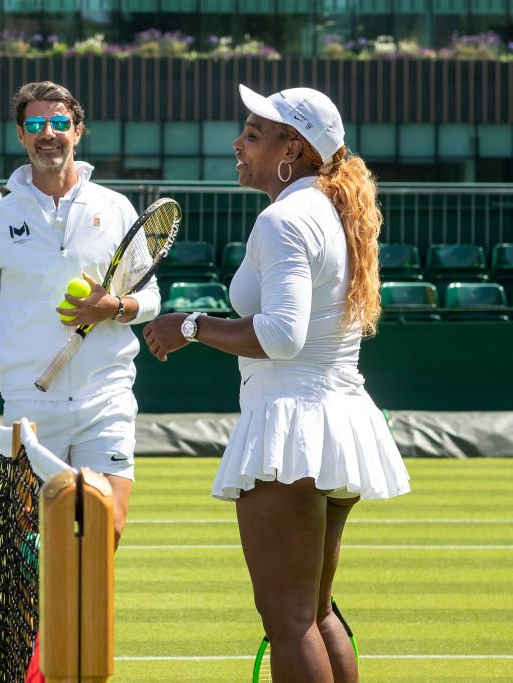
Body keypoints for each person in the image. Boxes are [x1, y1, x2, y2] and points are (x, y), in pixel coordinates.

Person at [142, 85, 411, 682]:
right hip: (335, 421)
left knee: (288, 621)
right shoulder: (328, 207)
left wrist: (190, 324)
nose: (238, 144)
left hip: (295, 424)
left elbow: (282, 336)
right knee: (312, 614)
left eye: (254, 134)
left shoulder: (285, 218)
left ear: (293, 146)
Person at [0, 80, 161, 550]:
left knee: (105, 528)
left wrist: (112, 307)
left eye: (59, 123)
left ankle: (78, 625)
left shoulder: (115, 209)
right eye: (36, 124)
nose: (48, 134)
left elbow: (151, 297)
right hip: (29, 406)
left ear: (78, 131)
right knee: (31, 545)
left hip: (106, 399)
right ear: (21, 135)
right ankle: (44, 628)